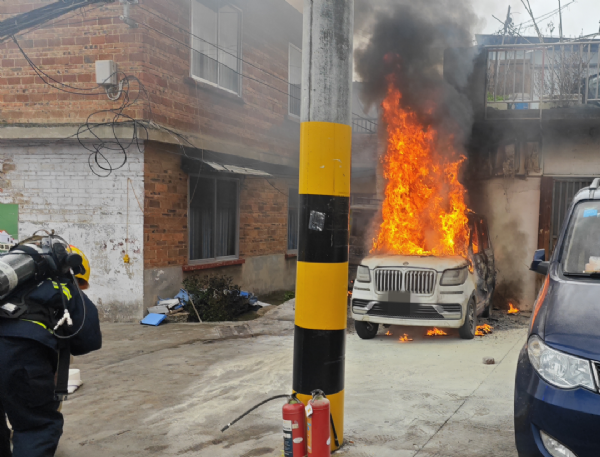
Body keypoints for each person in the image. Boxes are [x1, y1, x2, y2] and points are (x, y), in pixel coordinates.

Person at [0, 245, 102, 457]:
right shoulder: (63, 285)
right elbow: (88, 340)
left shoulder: (9, 287)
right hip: (19, 355)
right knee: (35, 427)